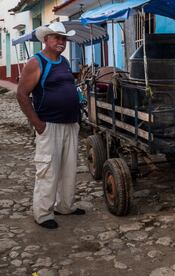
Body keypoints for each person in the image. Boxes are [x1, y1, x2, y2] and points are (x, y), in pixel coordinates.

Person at [16, 22, 85, 229]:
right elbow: (22, 94)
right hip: (50, 125)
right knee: (47, 170)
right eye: (57, 37)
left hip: (70, 124)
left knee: (68, 169)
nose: (61, 42)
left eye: (64, 38)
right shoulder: (36, 62)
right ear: (46, 39)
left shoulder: (63, 61)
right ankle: (43, 213)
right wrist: (37, 123)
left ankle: (65, 206)